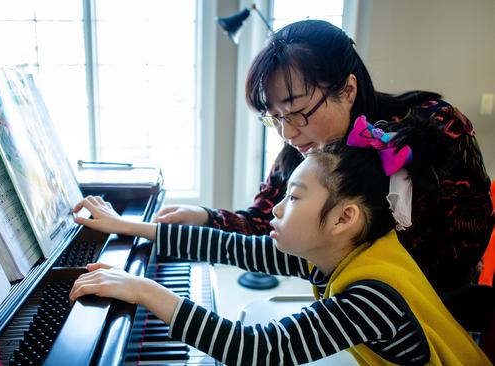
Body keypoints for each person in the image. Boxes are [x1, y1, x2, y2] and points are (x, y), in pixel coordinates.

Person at [69, 116, 490, 365]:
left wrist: (145, 290)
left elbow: (255, 349)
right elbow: (226, 246)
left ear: (344, 217)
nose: (276, 208)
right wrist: (131, 227)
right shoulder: (339, 253)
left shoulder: (370, 298)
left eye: (294, 196)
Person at [154, 20, 493, 297]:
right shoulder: (299, 152)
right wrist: (204, 216)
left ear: (347, 90)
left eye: (297, 112)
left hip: (437, 311)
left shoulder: (436, 124)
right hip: (351, 315)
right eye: (275, 118)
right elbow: (263, 221)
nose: (287, 133)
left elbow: (468, 239)